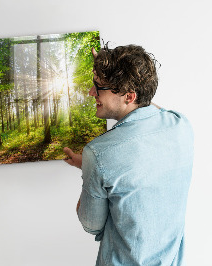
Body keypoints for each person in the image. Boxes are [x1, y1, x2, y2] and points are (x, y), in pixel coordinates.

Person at [63, 44, 194, 265]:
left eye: (99, 87)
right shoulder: (181, 125)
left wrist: (90, 169)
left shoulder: (98, 153)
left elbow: (91, 224)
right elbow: (147, 107)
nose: (91, 92)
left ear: (128, 96)